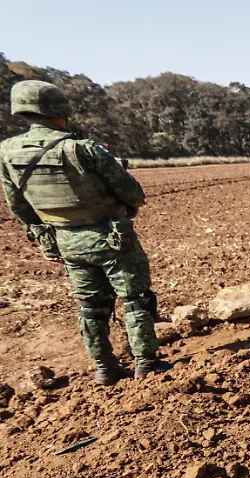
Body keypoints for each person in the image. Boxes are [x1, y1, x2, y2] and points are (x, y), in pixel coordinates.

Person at [0, 80, 172, 385]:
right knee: (135, 298)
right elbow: (132, 192)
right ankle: (146, 362)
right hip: (111, 236)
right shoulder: (81, 148)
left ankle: (104, 368)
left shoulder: (7, 152)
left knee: (91, 305)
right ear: (58, 109)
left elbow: (18, 206)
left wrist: (45, 238)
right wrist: (127, 205)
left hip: (66, 241)